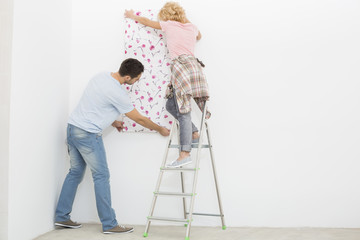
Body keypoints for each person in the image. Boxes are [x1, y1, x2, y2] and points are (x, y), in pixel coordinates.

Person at [54, 58, 170, 234]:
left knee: (75, 172)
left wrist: (114, 122)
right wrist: (159, 128)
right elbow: (139, 118)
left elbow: (95, 104)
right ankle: (109, 224)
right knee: (101, 176)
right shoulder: (118, 93)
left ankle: (62, 217)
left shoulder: (101, 76)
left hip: (72, 129)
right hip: (87, 134)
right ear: (128, 77)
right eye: (136, 79)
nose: (136, 82)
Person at [125, 2, 210, 168]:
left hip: (181, 67)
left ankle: (184, 153)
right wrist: (185, 21)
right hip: (195, 68)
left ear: (166, 16)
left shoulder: (168, 25)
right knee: (171, 105)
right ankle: (193, 133)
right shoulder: (192, 27)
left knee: (183, 110)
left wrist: (132, 16)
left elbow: (147, 22)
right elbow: (199, 36)